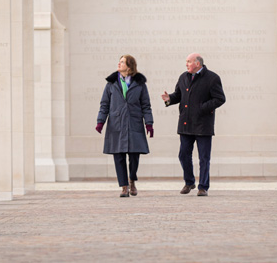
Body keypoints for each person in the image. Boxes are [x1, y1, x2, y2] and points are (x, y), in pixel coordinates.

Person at [161, 53, 226, 197]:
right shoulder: (183, 77)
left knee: (204, 158)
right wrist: (169, 99)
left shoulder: (212, 78)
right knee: (183, 155)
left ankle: (203, 187)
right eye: (186, 62)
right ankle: (189, 182)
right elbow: (178, 95)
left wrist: (202, 108)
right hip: (185, 124)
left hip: (203, 125)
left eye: (189, 62)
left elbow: (220, 98)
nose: (186, 64)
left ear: (198, 63)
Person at [96, 54, 154, 197]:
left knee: (134, 156)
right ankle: (124, 187)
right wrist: (100, 121)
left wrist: (149, 123)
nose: (119, 64)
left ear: (129, 66)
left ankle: (132, 180)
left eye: (122, 62)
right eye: (119, 61)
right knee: (119, 156)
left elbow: (146, 105)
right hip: (116, 124)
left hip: (133, 123)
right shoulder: (111, 84)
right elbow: (104, 104)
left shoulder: (140, 84)